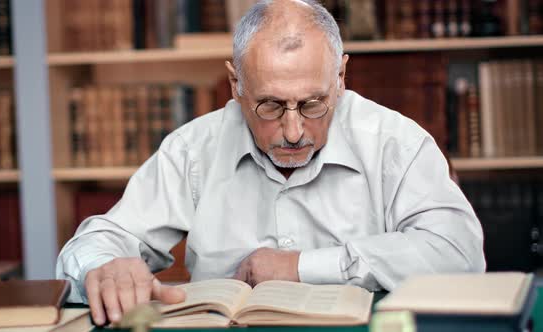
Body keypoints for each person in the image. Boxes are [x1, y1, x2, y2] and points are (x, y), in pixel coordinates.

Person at [56, 0, 486, 326]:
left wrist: (302, 267)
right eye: (270, 106)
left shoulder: (396, 143)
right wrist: (105, 266)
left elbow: (459, 254)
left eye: (314, 103)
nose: (295, 131)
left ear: (340, 78)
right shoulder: (194, 148)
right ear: (235, 84)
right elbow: (98, 240)